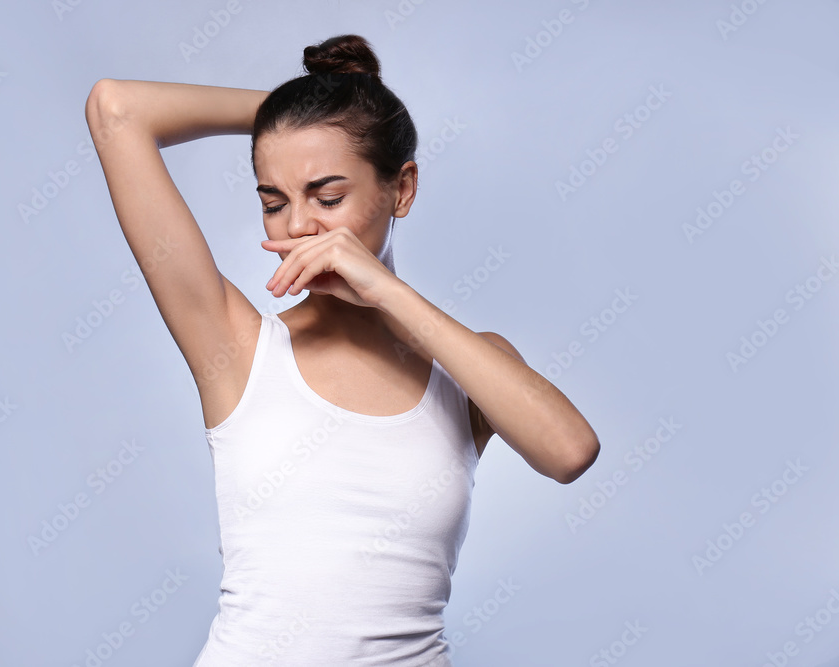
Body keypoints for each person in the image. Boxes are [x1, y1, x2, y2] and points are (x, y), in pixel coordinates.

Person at [85, 33, 599, 666]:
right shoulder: (237, 347)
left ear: (402, 190)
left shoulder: (469, 367)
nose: (300, 226)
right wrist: (312, 108)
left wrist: (385, 291)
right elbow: (117, 110)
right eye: (274, 204)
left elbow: (570, 451)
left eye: (328, 198)